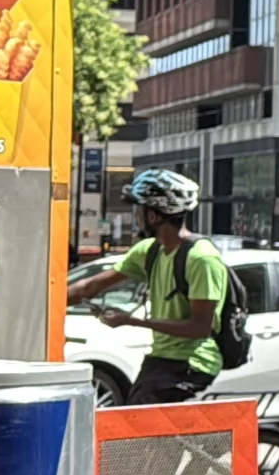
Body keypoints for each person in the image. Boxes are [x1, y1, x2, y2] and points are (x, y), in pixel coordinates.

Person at [65, 169, 229, 405]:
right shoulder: (149, 251)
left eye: (138, 210)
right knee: (135, 425)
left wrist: (131, 321)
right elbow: (88, 287)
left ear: (153, 216)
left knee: (138, 430)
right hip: (160, 358)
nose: (137, 217)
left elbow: (200, 327)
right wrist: (43, 304)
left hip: (193, 363)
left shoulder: (201, 258)